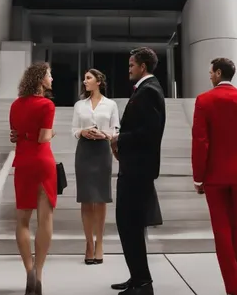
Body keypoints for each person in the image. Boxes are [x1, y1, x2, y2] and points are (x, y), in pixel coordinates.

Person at [192, 58, 237, 295]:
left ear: (219, 72)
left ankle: (235, 289)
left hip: (214, 174)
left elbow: (201, 142)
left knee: (221, 232)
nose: (209, 76)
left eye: (211, 72)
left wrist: (198, 177)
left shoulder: (204, 100)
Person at [110, 47, 166, 295]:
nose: (129, 69)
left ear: (143, 66)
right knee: (128, 225)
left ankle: (143, 283)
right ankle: (137, 278)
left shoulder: (148, 91)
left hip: (137, 170)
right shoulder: (146, 90)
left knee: (129, 223)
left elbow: (150, 133)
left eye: (132, 65)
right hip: (134, 168)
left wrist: (119, 138)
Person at [10, 62, 56, 295]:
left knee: (22, 220)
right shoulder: (47, 105)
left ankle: (28, 269)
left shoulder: (16, 104)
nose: (51, 79)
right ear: (40, 79)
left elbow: (15, 135)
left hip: (23, 163)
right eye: (49, 75)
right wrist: (52, 133)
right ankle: (38, 274)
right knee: (45, 220)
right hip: (42, 162)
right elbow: (44, 138)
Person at [72, 69, 120, 264]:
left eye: (88, 78)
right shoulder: (79, 105)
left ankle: (99, 243)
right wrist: (82, 132)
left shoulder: (111, 105)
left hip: (101, 151)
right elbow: (74, 129)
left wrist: (105, 135)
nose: (85, 81)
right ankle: (88, 244)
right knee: (86, 199)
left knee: (100, 199)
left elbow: (116, 128)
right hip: (84, 152)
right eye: (84, 78)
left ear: (99, 81)